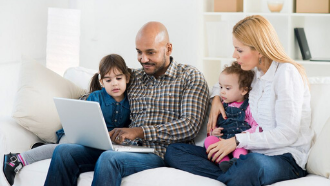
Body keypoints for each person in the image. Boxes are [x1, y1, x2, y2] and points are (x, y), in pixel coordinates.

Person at [43, 21, 209, 186]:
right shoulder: (134, 77)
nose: (143, 59)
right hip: (124, 147)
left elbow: (190, 125)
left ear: (169, 48)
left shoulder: (190, 77)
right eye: (139, 52)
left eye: (150, 52)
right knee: (64, 152)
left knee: (110, 159)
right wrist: (83, 108)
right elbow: (107, 84)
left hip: (159, 153)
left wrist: (139, 132)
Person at [165, 15, 313, 186]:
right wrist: (215, 100)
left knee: (253, 165)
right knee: (174, 151)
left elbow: (287, 133)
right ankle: (234, 173)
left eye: (240, 50)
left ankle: (235, 174)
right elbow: (222, 84)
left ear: (259, 49)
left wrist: (236, 141)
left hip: (283, 158)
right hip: (249, 152)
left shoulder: (286, 73)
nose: (234, 55)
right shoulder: (255, 74)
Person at [2, 54, 131, 186]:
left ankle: (43, 148)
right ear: (102, 82)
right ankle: (15, 159)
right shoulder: (96, 97)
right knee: (65, 149)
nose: (114, 83)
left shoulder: (132, 101)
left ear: (127, 78)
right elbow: (82, 124)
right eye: (108, 80)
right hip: (76, 136)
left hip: (102, 145)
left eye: (119, 78)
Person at [204, 61, 259, 173]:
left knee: (241, 149)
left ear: (243, 90)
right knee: (209, 140)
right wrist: (214, 132)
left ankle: (237, 162)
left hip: (238, 141)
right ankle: (223, 162)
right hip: (222, 139)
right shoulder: (221, 106)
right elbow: (215, 126)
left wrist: (243, 136)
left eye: (227, 88)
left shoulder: (248, 107)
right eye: (221, 87)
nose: (222, 92)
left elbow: (256, 126)